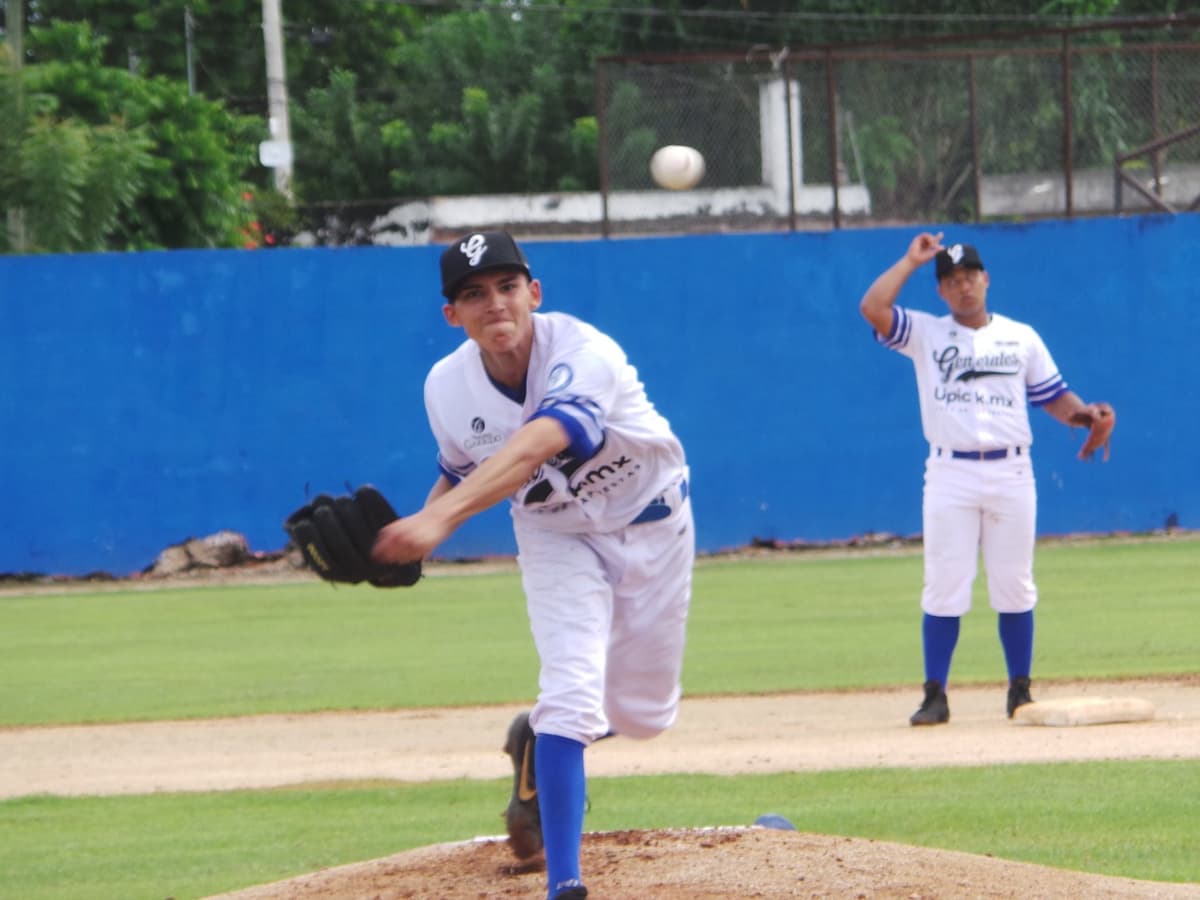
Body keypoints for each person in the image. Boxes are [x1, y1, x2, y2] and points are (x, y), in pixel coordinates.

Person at [372, 230, 694, 900]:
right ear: (451, 316)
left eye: (506, 286)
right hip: (554, 536)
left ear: (534, 293)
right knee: (571, 693)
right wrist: (414, 534)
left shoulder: (583, 351)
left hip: (654, 525)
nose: (494, 305)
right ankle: (564, 881)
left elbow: (532, 447)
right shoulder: (446, 386)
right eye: (473, 295)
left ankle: (537, 743)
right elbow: (463, 470)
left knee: (643, 717)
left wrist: (439, 520)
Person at [858, 232, 1115, 726]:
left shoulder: (1020, 337)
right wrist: (910, 261)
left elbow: (1054, 397)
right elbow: (873, 306)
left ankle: (1020, 691)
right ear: (940, 291)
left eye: (970, 276)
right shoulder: (925, 334)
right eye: (951, 281)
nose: (963, 287)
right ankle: (935, 693)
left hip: (1012, 470)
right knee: (945, 584)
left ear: (986, 279)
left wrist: (1087, 415)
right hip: (950, 470)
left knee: (1014, 583)